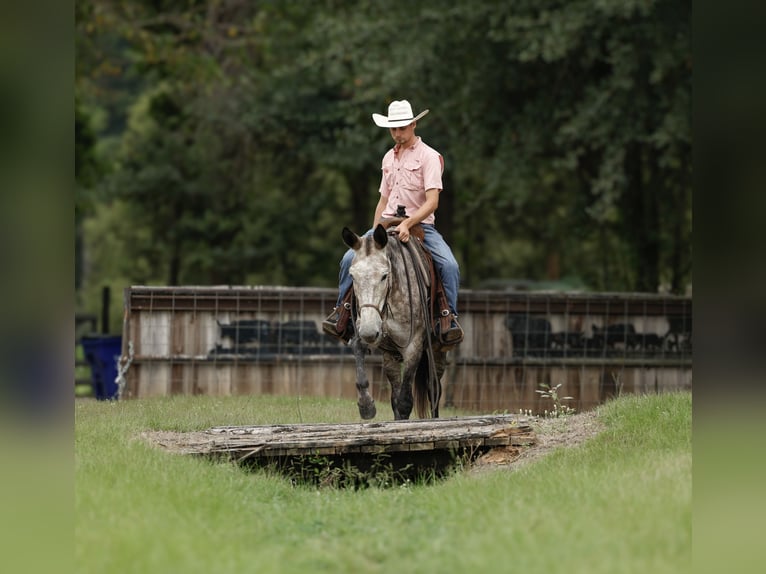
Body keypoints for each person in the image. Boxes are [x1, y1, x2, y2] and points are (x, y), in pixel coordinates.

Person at [323, 99, 463, 344]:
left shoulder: (430, 157)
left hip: (421, 225)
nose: (398, 133)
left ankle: (447, 317)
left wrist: (408, 224)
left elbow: (432, 202)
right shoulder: (388, 158)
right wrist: (375, 231)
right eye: (393, 128)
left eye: (403, 127)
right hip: (386, 225)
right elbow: (383, 200)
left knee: (449, 265)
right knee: (349, 259)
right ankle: (341, 313)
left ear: (414, 124)